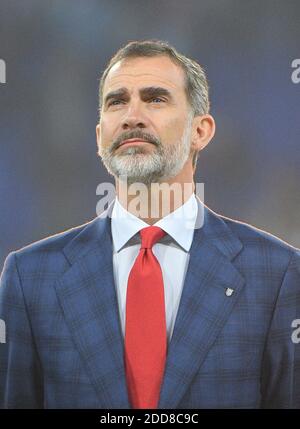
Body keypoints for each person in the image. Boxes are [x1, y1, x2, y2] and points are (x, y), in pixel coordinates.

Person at [0, 39, 299, 409]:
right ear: (99, 137)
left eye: (155, 98)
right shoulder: (30, 277)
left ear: (200, 131)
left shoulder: (277, 272)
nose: (132, 116)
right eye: (117, 101)